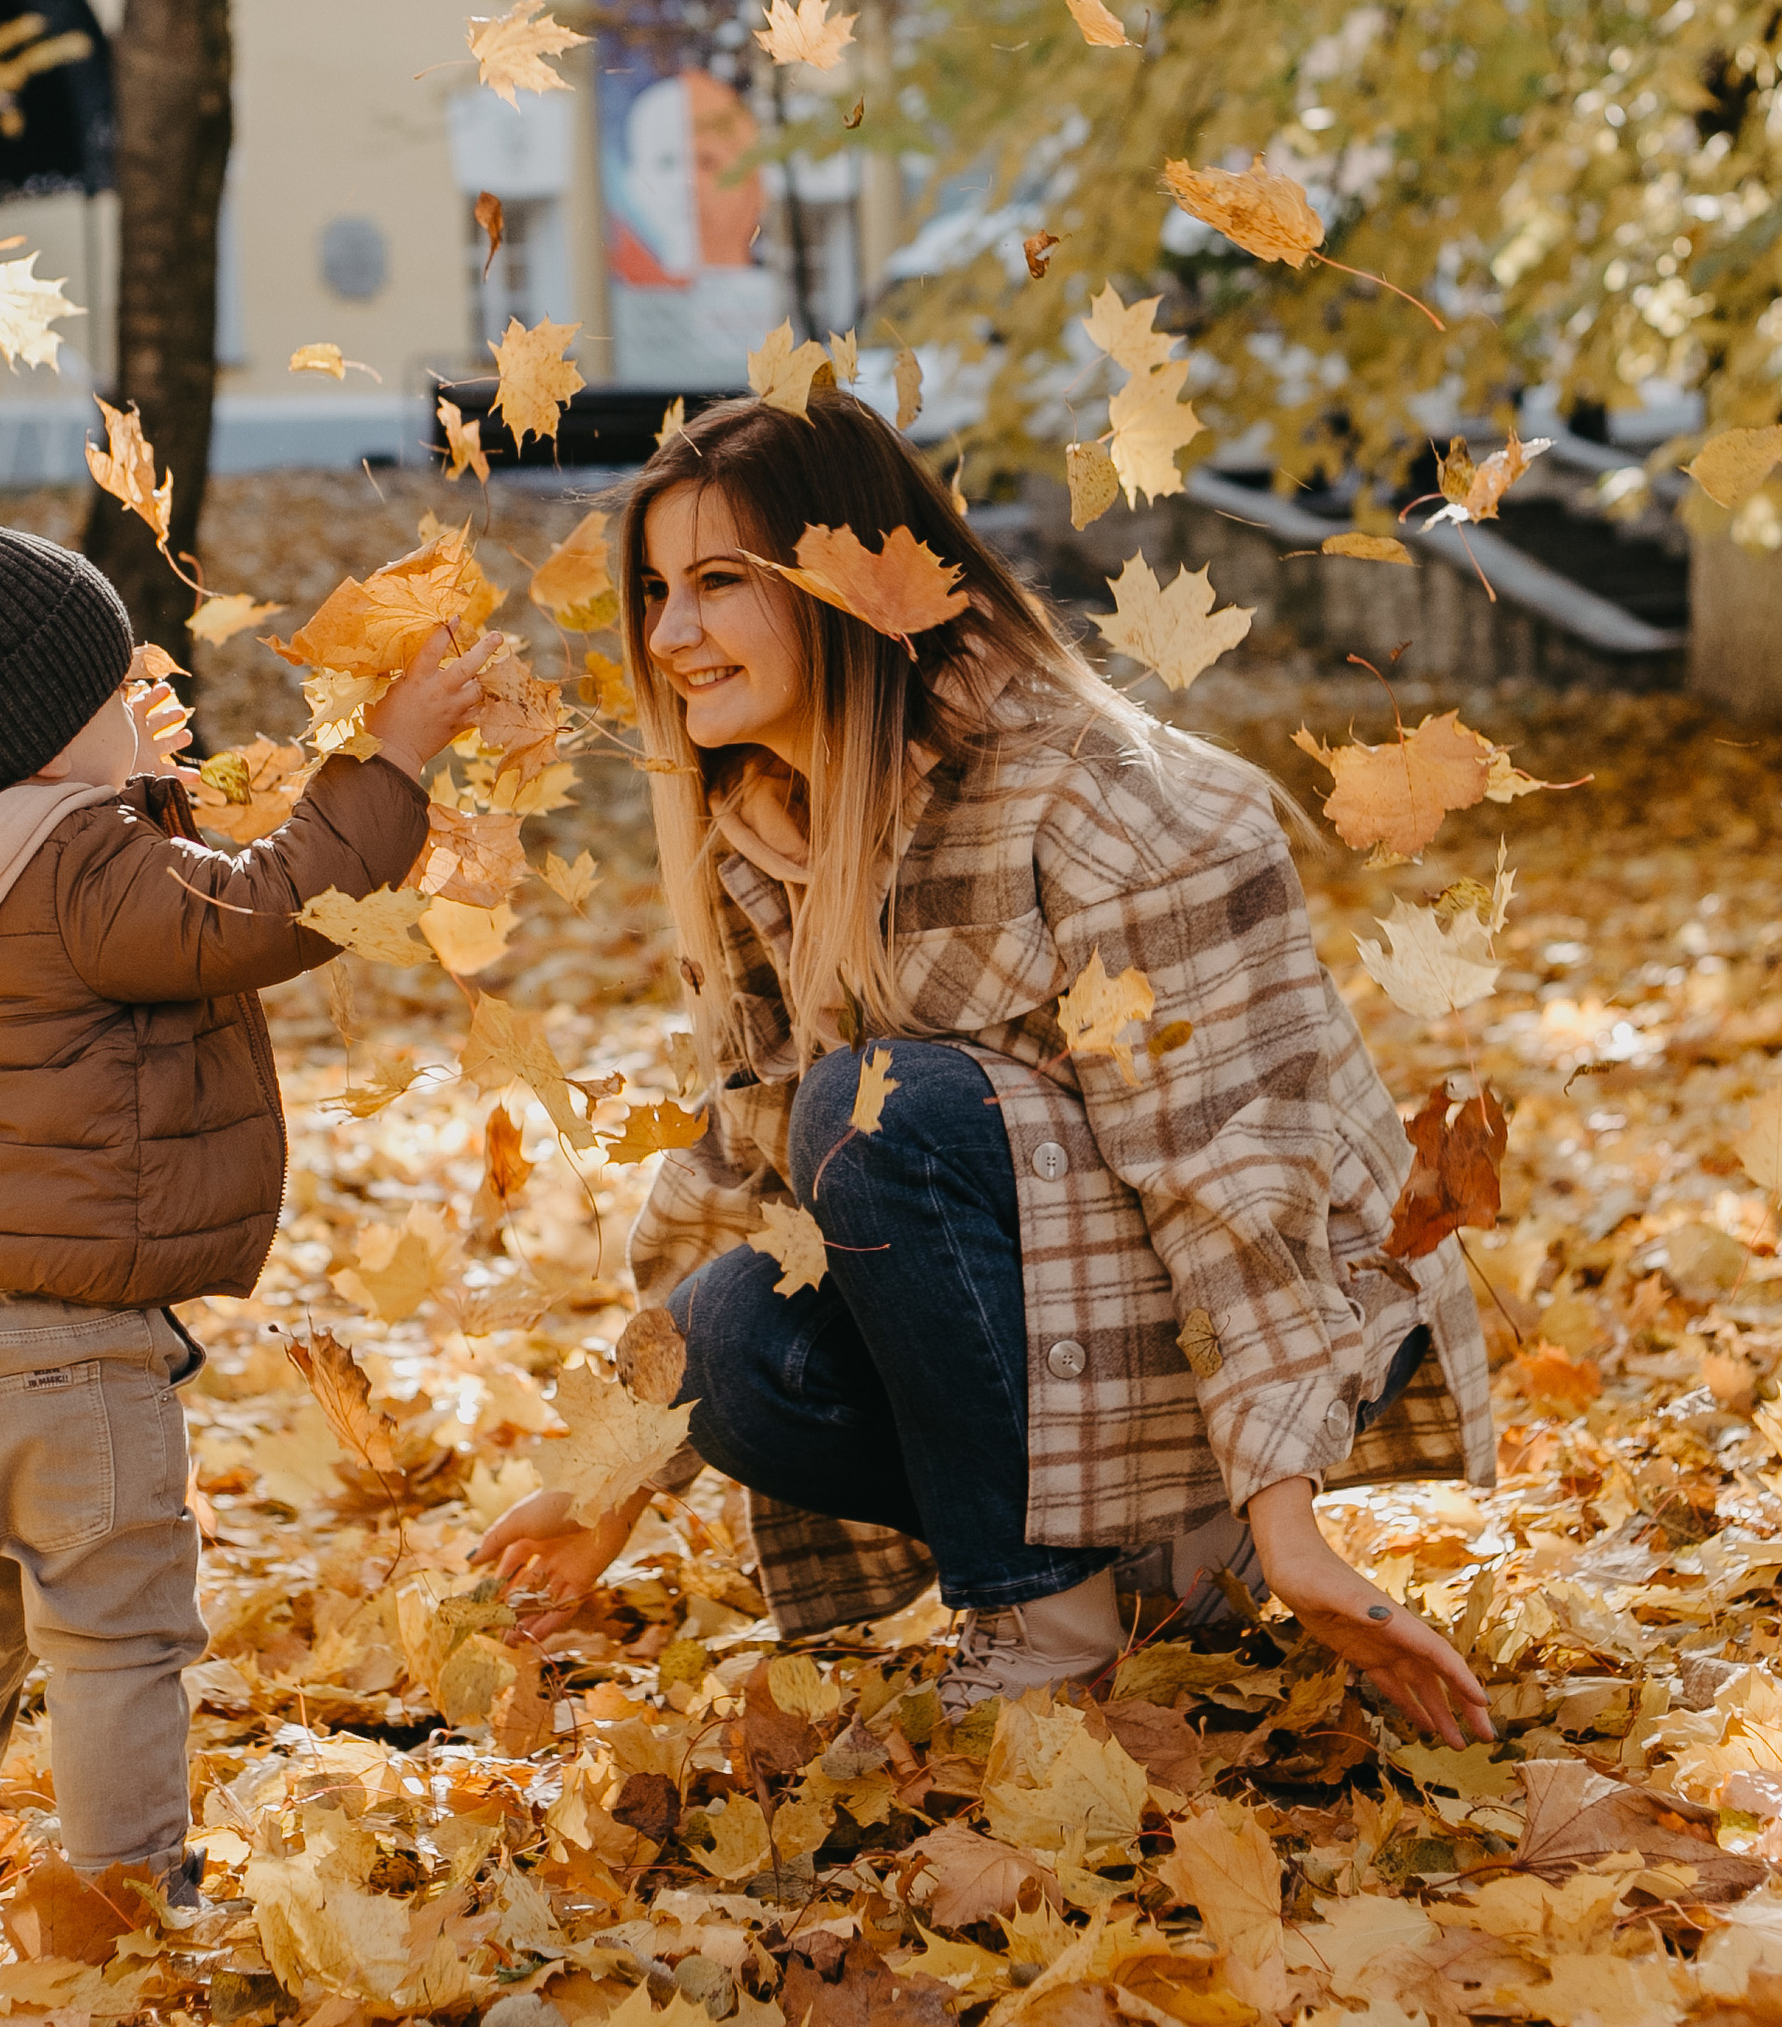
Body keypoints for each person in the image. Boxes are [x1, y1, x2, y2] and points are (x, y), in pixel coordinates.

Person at [475, 389, 1495, 1740]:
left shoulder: (1102, 794)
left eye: (719, 583)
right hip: (1062, 1317)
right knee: (729, 1337)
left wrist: (1288, 1519)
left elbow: (1236, 1181)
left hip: (1274, 1308)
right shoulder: (762, 826)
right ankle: (1137, 1568)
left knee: (873, 1109)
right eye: (658, 591)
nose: (668, 637)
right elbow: (739, 1166)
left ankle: (1067, 1615)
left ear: (848, 578)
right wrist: (614, 1470)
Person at [0, 444, 492, 1989]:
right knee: (115, 1639)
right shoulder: (82, 869)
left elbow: (86, 884)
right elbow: (260, 907)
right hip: (56, 1356)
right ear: (43, 733)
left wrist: (122, 773)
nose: (143, 702)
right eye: (115, 690)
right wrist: (391, 758)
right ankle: (119, 1920)